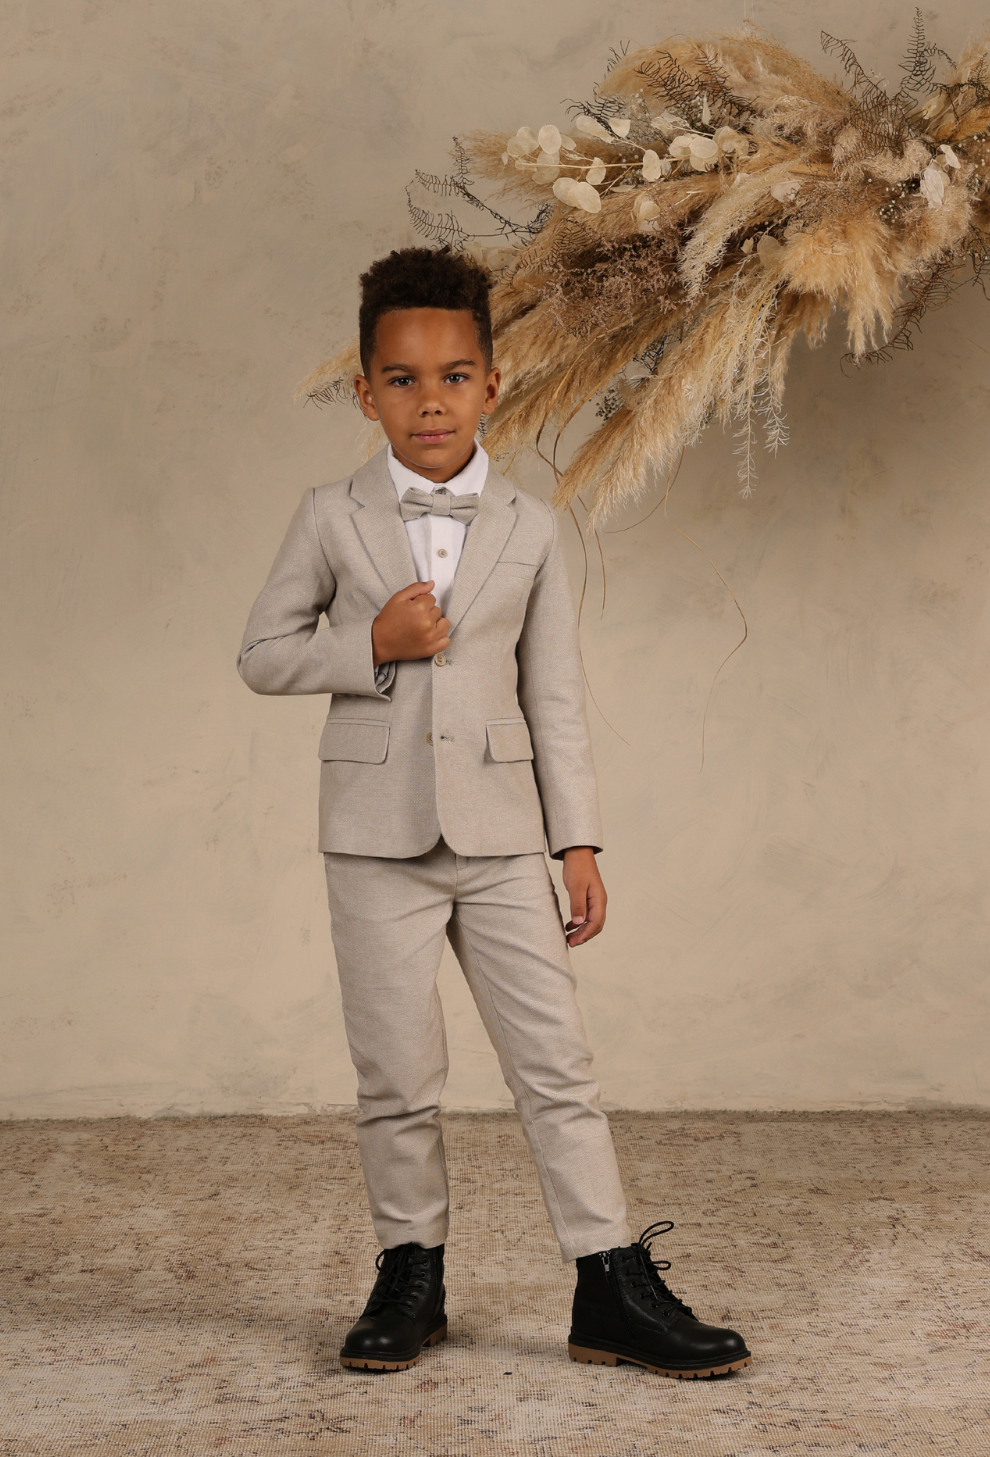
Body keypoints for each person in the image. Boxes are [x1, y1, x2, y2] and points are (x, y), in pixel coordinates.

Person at [238, 245, 750, 1380]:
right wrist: (368, 644)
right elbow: (261, 654)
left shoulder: (529, 527)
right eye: (405, 380)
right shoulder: (330, 516)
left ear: (493, 384)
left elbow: (554, 693)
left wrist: (578, 838)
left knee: (556, 1063)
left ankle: (608, 1280)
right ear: (366, 391)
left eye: (454, 377)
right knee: (396, 1074)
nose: (431, 401)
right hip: (373, 838)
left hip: (506, 835)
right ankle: (409, 1274)